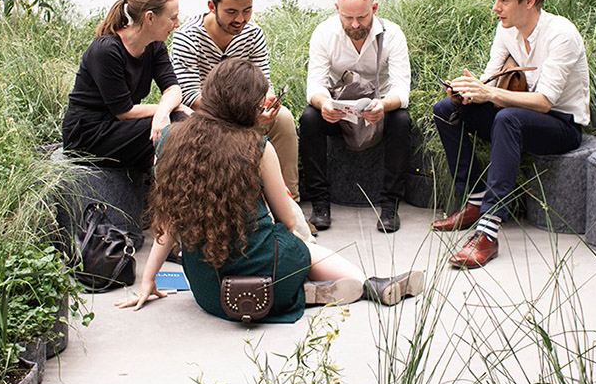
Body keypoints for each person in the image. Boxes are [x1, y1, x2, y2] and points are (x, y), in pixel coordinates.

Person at [115, 58, 424, 321]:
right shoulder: (257, 147)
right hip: (271, 269)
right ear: (246, 106)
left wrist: (148, 280)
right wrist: (301, 245)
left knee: (258, 253)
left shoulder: (169, 139)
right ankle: (363, 283)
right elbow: (287, 219)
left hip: (211, 293)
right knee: (300, 246)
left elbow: (168, 224)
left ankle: (302, 291)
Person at [432, 0, 590, 269]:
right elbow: (490, 79)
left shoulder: (561, 35)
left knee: (508, 118)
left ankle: (488, 231)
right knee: (445, 109)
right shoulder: (507, 30)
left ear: (528, 1)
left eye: (503, 1)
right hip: (516, 116)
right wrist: (466, 91)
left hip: (561, 125)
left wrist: (489, 94)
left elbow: (545, 101)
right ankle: (475, 201)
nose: (495, 8)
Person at [170, 0, 300, 199]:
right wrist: (243, 116)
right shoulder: (187, 37)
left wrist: (267, 101)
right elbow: (191, 96)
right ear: (212, 6)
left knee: (283, 119)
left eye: (247, 10)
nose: (240, 19)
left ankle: (290, 201)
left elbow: (263, 82)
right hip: (205, 116)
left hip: (247, 110)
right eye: (231, 12)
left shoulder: (252, 34)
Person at [301, 0, 412, 233]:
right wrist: (326, 104)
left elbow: (401, 91)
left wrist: (382, 107)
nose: (354, 24)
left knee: (402, 120)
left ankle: (389, 204)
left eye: (361, 17)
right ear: (336, 9)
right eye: (347, 17)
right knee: (309, 118)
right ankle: (320, 203)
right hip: (338, 110)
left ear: (374, 8)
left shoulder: (392, 34)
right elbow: (314, 87)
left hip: (380, 108)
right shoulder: (324, 33)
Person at [61, 0, 184, 172]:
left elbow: (173, 88)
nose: (177, 24)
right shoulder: (106, 50)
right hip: (89, 135)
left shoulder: (155, 46)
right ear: (149, 17)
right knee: (178, 123)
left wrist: (165, 109)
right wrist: (164, 111)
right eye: (173, 18)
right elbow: (123, 110)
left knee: (180, 120)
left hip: (120, 127)